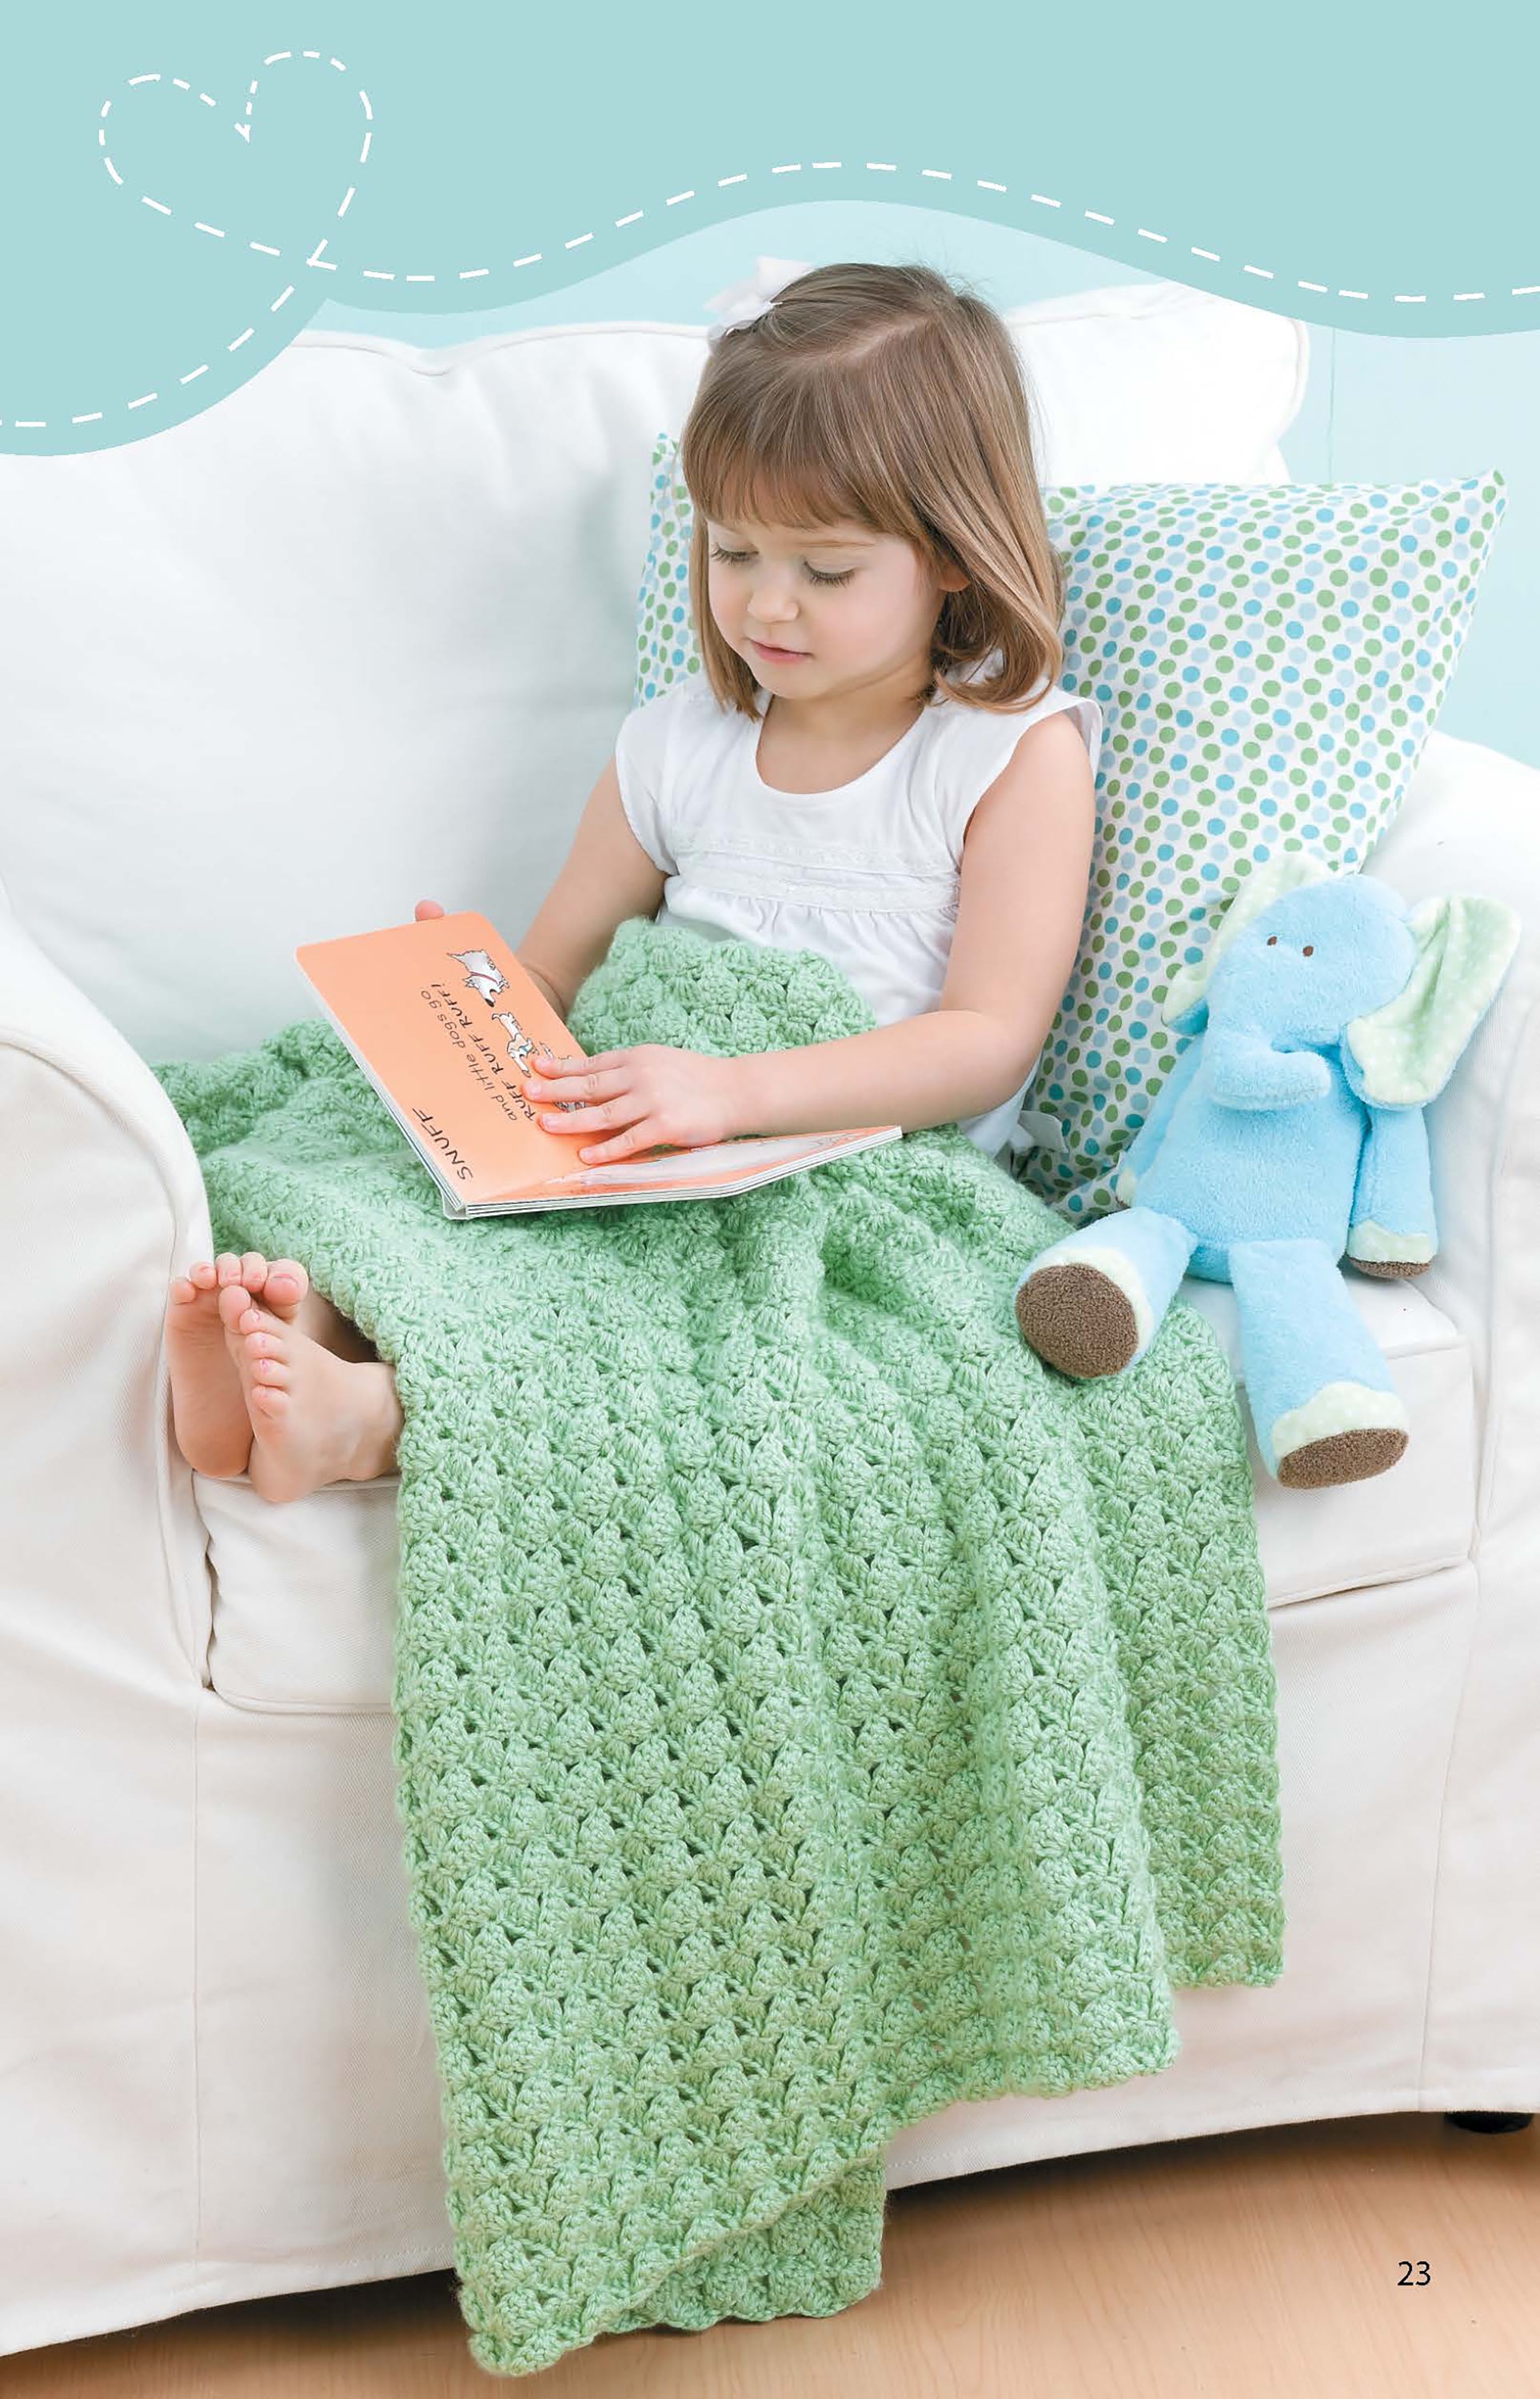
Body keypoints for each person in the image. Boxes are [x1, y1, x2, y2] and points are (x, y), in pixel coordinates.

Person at [164, 259, 1100, 1505]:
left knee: (652, 1321)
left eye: (824, 570)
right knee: (389, 1178)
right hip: (641, 1131)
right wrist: (470, 992)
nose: (766, 602)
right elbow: (554, 972)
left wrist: (733, 1093)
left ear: (951, 555)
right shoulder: (676, 746)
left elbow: (984, 1039)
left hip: (839, 1161)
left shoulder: (1004, 756)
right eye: (732, 550)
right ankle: (304, 1343)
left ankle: (370, 1420)